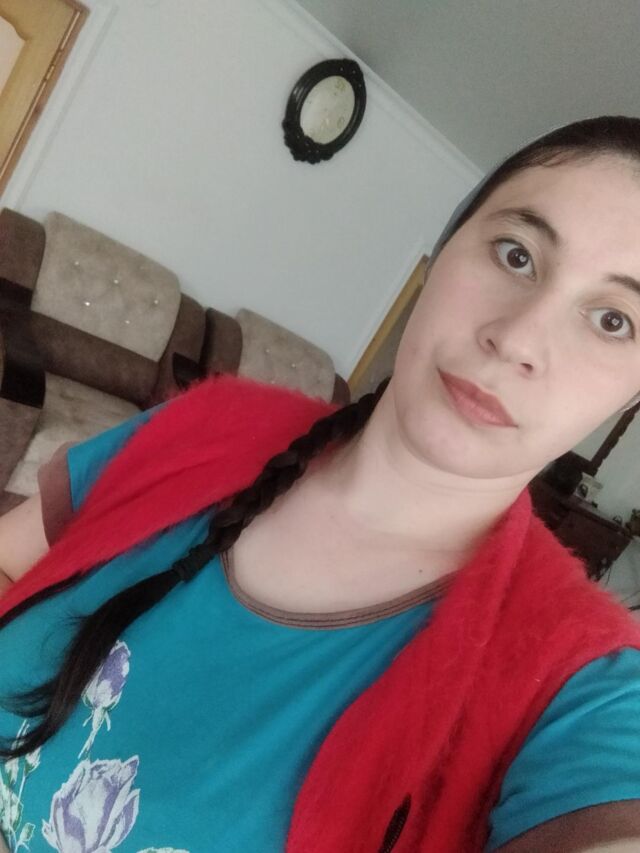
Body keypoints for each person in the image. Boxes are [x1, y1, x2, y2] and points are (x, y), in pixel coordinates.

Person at [1, 115, 640, 853]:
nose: (519, 338)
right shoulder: (208, 421)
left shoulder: (582, 683)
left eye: (613, 321)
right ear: (433, 263)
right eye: (516, 254)